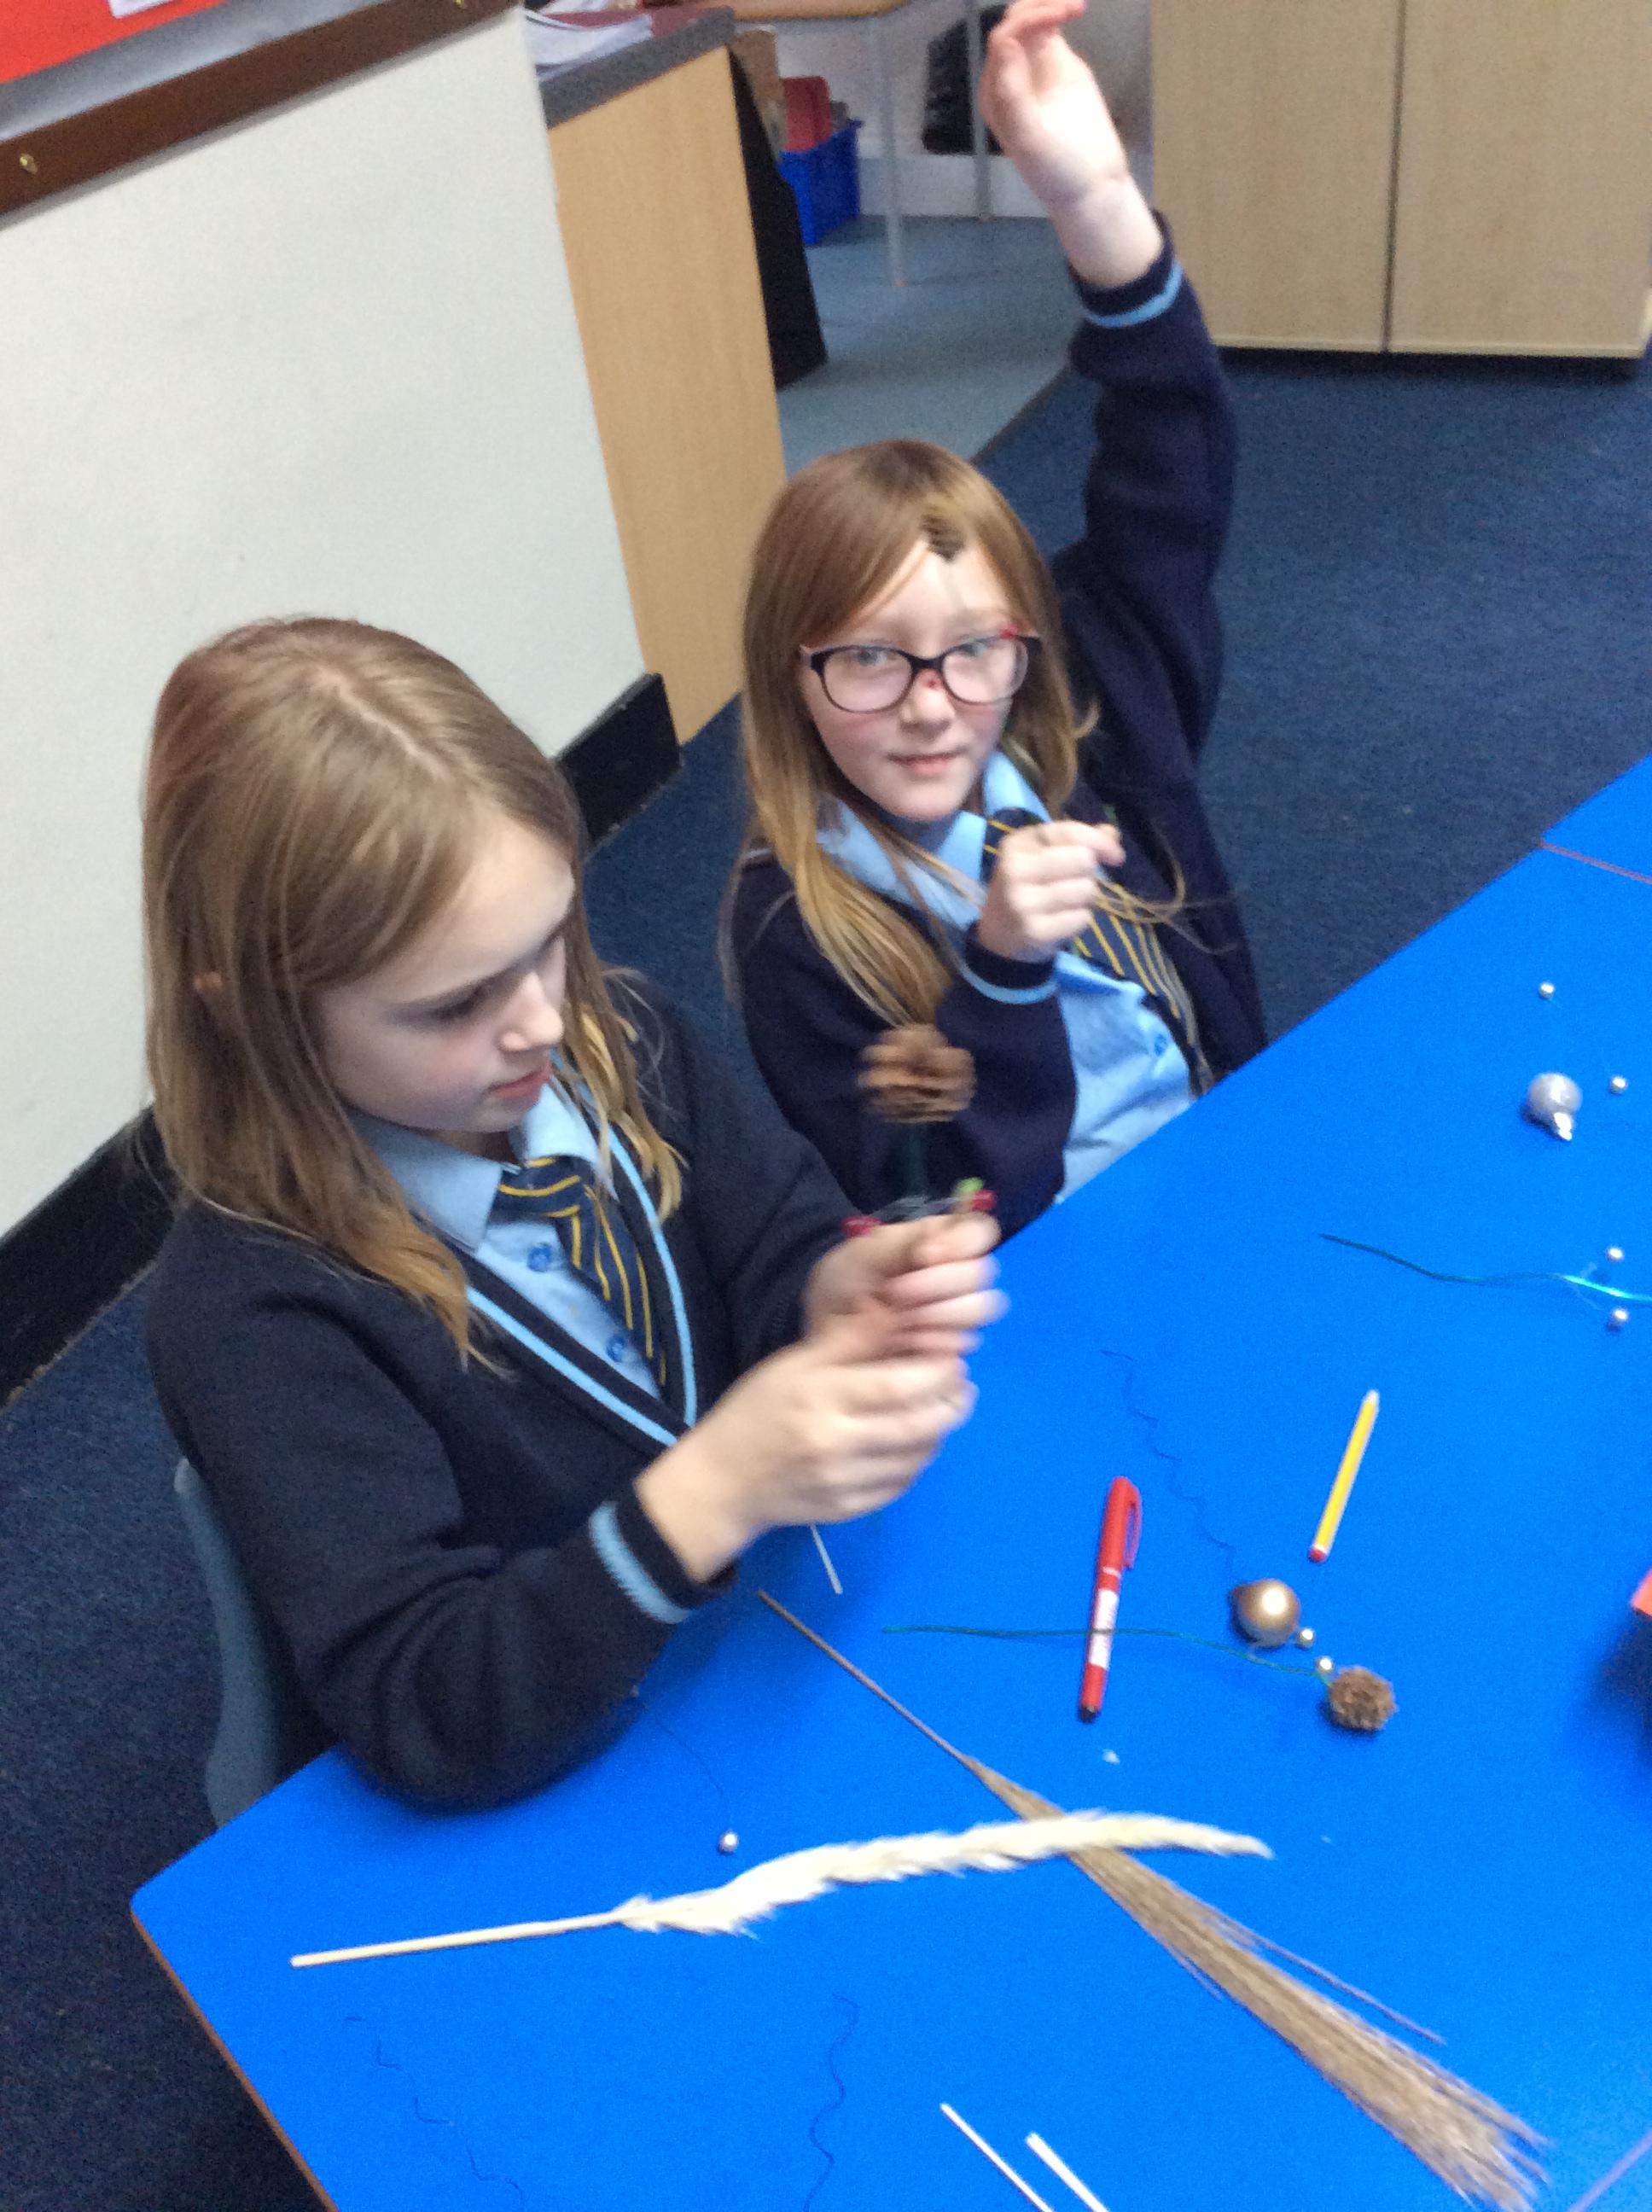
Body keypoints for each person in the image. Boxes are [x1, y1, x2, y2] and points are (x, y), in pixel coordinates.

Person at [143, 619, 1001, 1808]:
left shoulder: (627, 1041)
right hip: (574, 1757)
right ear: (256, 1011)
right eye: (455, 1005)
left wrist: (831, 1292)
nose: (543, 1022)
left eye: (549, 943)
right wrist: (711, 1493)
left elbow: (777, 1237)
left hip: (766, 1656)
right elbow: (427, 1703)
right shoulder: (252, 1308)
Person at [728, 0, 1265, 1240]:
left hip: (1228, 1163)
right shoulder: (798, 929)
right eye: (870, 658)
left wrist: (1095, 203)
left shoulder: (1091, 729)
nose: (933, 706)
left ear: (1023, 645)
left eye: (973, 649)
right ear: (790, 672)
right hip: (1044, 1266)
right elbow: (945, 1202)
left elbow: (1172, 466)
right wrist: (1003, 970)